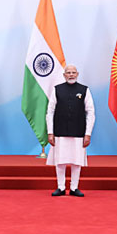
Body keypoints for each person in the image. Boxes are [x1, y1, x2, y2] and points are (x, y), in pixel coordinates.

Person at [47, 64, 94, 197]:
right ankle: (60, 187)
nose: (71, 75)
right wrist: (50, 132)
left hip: (78, 131)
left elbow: (91, 112)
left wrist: (88, 133)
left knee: (76, 160)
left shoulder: (84, 90)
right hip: (60, 131)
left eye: (73, 72)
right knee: (60, 161)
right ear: (64, 75)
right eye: (68, 72)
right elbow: (50, 112)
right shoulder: (57, 89)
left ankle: (74, 187)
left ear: (77, 74)